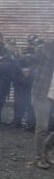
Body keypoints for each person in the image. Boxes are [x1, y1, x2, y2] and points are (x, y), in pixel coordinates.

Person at [29, 39, 54, 168]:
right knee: (42, 127)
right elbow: (34, 56)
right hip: (42, 94)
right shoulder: (45, 50)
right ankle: (39, 157)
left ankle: (46, 150)